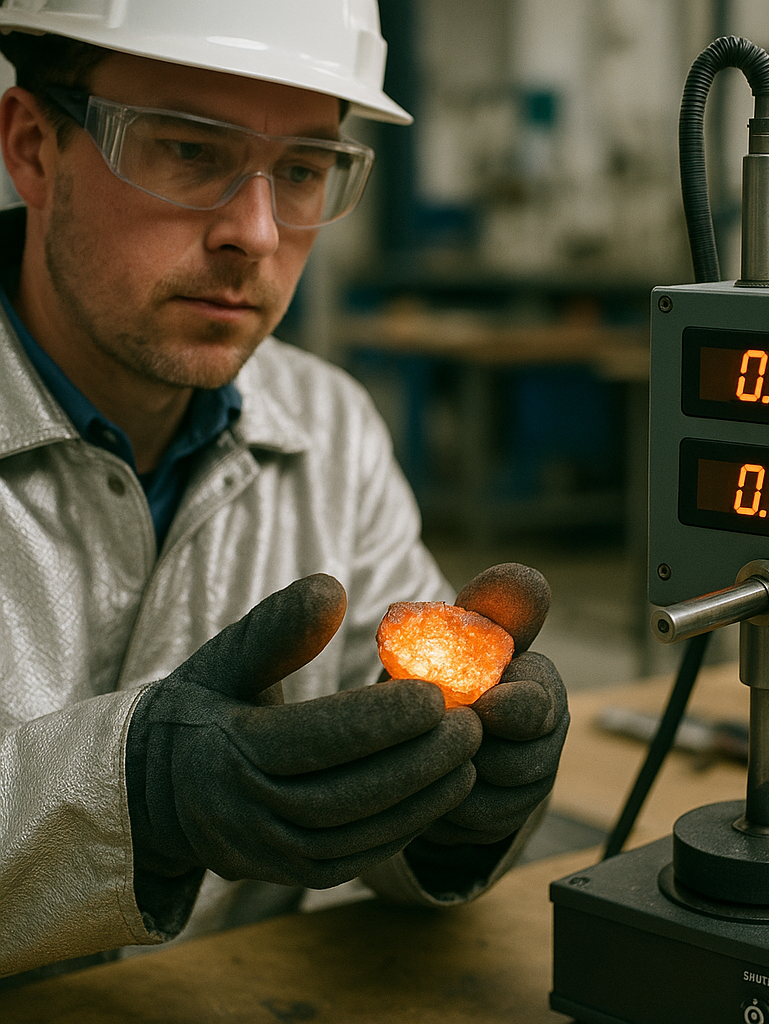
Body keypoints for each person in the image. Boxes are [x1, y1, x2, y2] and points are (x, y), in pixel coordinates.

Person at [0, 0, 568, 982]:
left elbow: (365, 792)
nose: (256, 233)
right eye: (186, 149)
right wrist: (135, 795)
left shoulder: (329, 428)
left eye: (303, 168)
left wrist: (447, 811)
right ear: (34, 146)